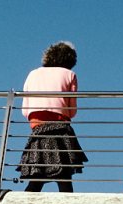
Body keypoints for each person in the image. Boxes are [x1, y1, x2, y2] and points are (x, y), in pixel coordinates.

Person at [19, 42, 87, 193]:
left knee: (37, 178)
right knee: (64, 177)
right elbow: (72, 110)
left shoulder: (33, 74)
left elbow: (25, 110)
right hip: (60, 129)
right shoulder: (69, 74)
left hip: (38, 129)